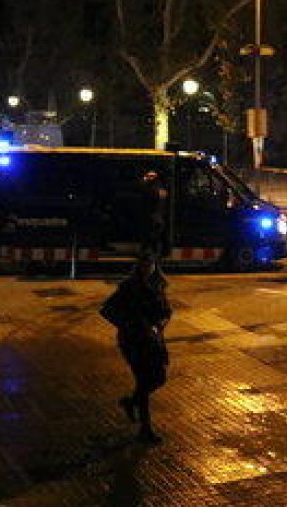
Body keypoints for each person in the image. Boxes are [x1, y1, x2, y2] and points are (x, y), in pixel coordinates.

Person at [104, 255, 172, 444]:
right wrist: (128, 325)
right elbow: (107, 310)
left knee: (159, 377)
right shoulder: (129, 287)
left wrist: (159, 324)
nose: (148, 267)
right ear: (138, 266)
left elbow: (167, 312)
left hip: (154, 341)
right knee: (143, 381)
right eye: (144, 263)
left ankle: (131, 402)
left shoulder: (159, 285)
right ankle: (145, 429)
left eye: (151, 263)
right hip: (134, 341)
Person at [138, 169, 169, 257]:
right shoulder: (161, 188)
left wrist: (144, 180)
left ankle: (150, 255)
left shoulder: (152, 189)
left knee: (150, 238)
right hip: (159, 216)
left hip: (153, 216)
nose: (147, 178)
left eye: (149, 177)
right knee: (155, 237)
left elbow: (143, 191)